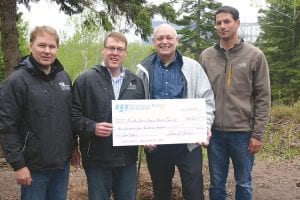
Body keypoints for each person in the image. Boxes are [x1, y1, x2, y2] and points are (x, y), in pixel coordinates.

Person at [199, 6, 271, 200]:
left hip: (243, 132)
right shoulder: (206, 56)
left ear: (237, 23)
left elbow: (263, 97)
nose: (222, 26)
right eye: (218, 22)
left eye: (227, 21)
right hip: (215, 134)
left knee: (244, 183)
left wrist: (258, 134)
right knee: (216, 184)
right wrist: (201, 128)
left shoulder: (255, 56)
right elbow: (200, 96)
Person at [136, 23, 215, 200]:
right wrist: (142, 134)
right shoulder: (143, 70)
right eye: (160, 38)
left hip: (188, 143)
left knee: (194, 192)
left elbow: (207, 101)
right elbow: (137, 106)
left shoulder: (193, 67)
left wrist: (205, 125)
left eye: (169, 38)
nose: (165, 42)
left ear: (176, 41)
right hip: (156, 144)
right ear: (153, 42)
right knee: (161, 191)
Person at [0, 26, 74, 200]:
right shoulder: (16, 81)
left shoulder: (63, 78)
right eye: (42, 45)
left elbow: (68, 118)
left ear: (57, 48)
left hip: (61, 166)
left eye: (52, 46)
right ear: (30, 45)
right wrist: (18, 165)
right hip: (33, 168)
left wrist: (73, 149)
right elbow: (6, 126)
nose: (47, 51)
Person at [72, 32, 145, 200]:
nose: (115, 53)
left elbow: (142, 117)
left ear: (125, 53)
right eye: (111, 48)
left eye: (120, 49)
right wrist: (93, 127)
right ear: (103, 50)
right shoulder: (86, 79)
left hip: (127, 159)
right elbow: (73, 116)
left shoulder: (136, 82)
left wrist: (147, 135)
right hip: (97, 158)